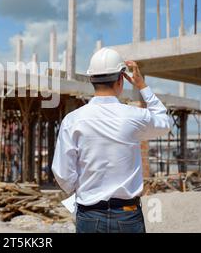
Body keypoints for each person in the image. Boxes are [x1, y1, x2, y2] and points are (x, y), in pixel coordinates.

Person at [52, 48, 171, 233]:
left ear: (91, 79)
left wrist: (84, 191)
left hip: (89, 214)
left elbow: (62, 172)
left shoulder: (73, 120)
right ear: (120, 80)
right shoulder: (135, 116)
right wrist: (142, 86)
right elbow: (164, 122)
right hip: (127, 214)